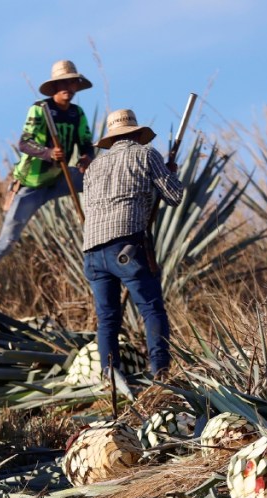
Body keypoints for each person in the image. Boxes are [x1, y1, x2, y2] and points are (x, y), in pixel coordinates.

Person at [0, 59, 94, 305]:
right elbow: (25, 142)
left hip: (59, 178)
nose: (67, 87)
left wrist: (85, 159)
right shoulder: (40, 109)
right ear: (54, 87)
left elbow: (86, 144)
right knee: (6, 241)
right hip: (31, 184)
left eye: (71, 82)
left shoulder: (76, 114)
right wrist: (50, 153)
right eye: (62, 83)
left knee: (98, 180)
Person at [81, 108, 184, 382]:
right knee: (151, 308)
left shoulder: (93, 167)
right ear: (138, 134)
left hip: (92, 251)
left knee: (108, 319)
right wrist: (170, 173)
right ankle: (161, 374)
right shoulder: (146, 154)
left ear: (111, 140)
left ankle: (110, 379)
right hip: (126, 246)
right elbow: (174, 196)